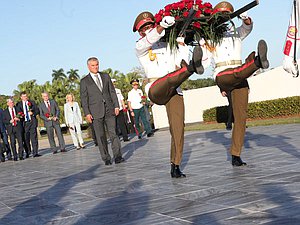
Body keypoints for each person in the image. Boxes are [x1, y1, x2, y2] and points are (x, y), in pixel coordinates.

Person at [133, 11, 203, 178]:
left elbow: (179, 61)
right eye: (145, 28)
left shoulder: (167, 44)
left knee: (178, 128)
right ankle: (191, 69)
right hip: (156, 88)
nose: (148, 29)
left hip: (174, 86)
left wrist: (181, 44)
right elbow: (150, 39)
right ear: (140, 32)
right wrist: (161, 27)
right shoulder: (140, 47)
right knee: (169, 79)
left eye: (150, 25)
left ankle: (176, 165)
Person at [201, 1, 269, 166]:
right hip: (223, 74)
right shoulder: (210, 37)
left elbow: (247, 28)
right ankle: (257, 62)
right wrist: (201, 44)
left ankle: (235, 155)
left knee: (241, 118)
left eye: (227, 14)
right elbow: (203, 62)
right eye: (221, 15)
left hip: (240, 74)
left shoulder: (235, 34)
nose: (224, 18)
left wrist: (245, 18)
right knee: (239, 71)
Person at [80, 57, 124, 165]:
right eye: (93, 65)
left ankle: (118, 156)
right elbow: (84, 99)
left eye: (97, 65)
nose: (95, 67)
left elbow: (112, 92)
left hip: (109, 109)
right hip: (95, 112)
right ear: (88, 66)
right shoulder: (84, 81)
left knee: (113, 133)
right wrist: (87, 113)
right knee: (100, 136)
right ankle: (106, 158)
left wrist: (116, 106)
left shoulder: (105, 76)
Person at [16, 91, 41, 158]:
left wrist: (33, 113)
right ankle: (28, 152)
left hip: (32, 122)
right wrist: (22, 115)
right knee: (26, 139)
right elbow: (18, 113)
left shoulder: (32, 102)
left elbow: (37, 110)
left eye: (26, 96)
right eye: (23, 96)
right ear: (21, 97)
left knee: (34, 138)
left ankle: (35, 152)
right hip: (25, 123)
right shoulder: (18, 104)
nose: (25, 98)